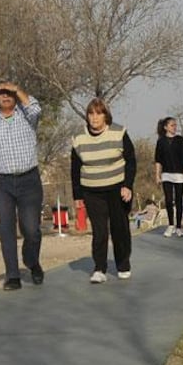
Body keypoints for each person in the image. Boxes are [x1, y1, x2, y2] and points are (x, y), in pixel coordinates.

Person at [0, 82, 44, 291]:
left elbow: (36, 108)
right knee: (6, 228)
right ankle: (12, 275)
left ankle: (32, 261)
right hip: (2, 183)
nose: (5, 96)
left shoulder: (27, 116)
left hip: (29, 180)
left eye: (9, 93)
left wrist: (18, 89)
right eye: (1, 93)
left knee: (31, 229)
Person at [71, 98, 136, 283]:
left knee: (119, 228)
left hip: (117, 187)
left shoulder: (118, 132)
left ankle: (123, 264)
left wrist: (127, 185)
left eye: (98, 113)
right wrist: (77, 195)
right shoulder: (78, 138)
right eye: (91, 114)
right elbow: (75, 168)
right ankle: (99, 268)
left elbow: (131, 160)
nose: (94, 118)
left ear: (105, 115)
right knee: (99, 230)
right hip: (91, 189)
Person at [154, 116, 183, 237]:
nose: (174, 127)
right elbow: (158, 160)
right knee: (169, 200)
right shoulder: (161, 141)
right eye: (172, 125)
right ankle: (170, 225)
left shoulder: (180, 140)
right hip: (166, 173)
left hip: (179, 174)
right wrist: (157, 175)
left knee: (179, 200)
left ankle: (179, 227)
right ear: (166, 127)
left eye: (175, 125)